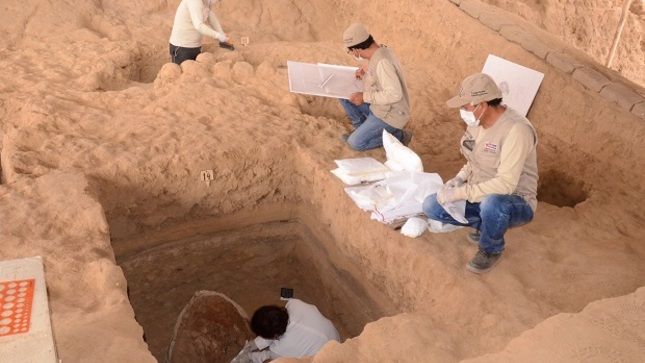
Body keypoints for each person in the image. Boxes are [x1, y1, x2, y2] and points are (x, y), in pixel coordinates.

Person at [422, 73, 538, 274]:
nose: (462, 111)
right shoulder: (476, 123)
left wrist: (460, 193)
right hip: (479, 192)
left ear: (481, 105)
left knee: (493, 204)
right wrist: (459, 178)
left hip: (514, 200)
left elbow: (505, 185)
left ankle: (491, 248)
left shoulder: (517, 130)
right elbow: (474, 161)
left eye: (465, 107)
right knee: (431, 205)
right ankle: (488, 225)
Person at [339, 22, 412, 151]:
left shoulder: (382, 62)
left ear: (356, 49)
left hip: (390, 115)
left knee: (355, 143)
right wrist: (365, 75)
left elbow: (394, 94)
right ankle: (362, 128)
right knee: (344, 96)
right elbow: (379, 79)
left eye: (351, 51)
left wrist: (364, 97)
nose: (353, 54)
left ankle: (399, 137)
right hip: (379, 107)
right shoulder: (379, 51)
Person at [232, 299, 340, 363]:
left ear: (274, 335)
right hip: (335, 338)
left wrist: (248, 357)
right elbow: (277, 326)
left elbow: (267, 356)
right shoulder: (294, 303)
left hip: (329, 359)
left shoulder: (281, 349)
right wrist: (255, 344)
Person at [169, 0, 231, 65]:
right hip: (182, 48)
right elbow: (199, 26)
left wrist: (221, 33)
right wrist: (217, 36)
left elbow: (210, 16)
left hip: (196, 46)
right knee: (184, 71)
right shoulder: (194, 2)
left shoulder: (206, 1)